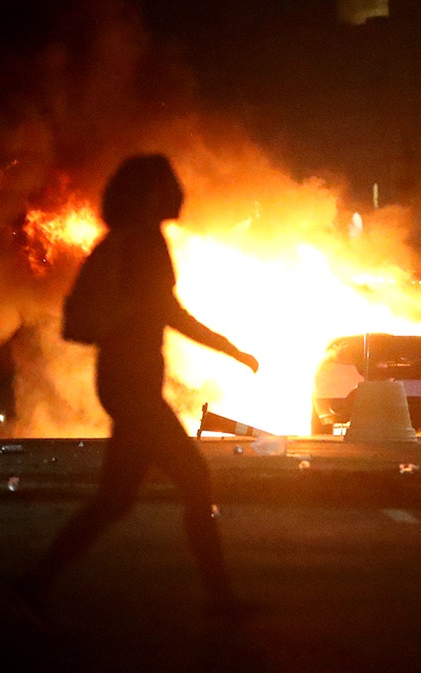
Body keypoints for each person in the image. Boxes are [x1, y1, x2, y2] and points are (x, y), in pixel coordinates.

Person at [18, 154, 260, 618]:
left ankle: (36, 580)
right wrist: (231, 349)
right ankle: (221, 598)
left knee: (117, 498)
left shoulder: (119, 241)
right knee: (195, 479)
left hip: (120, 379)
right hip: (132, 383)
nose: (178, 193)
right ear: (151, 193)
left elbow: (151, 311)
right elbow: (170, 313)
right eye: (169, 185)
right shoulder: (144, 241)